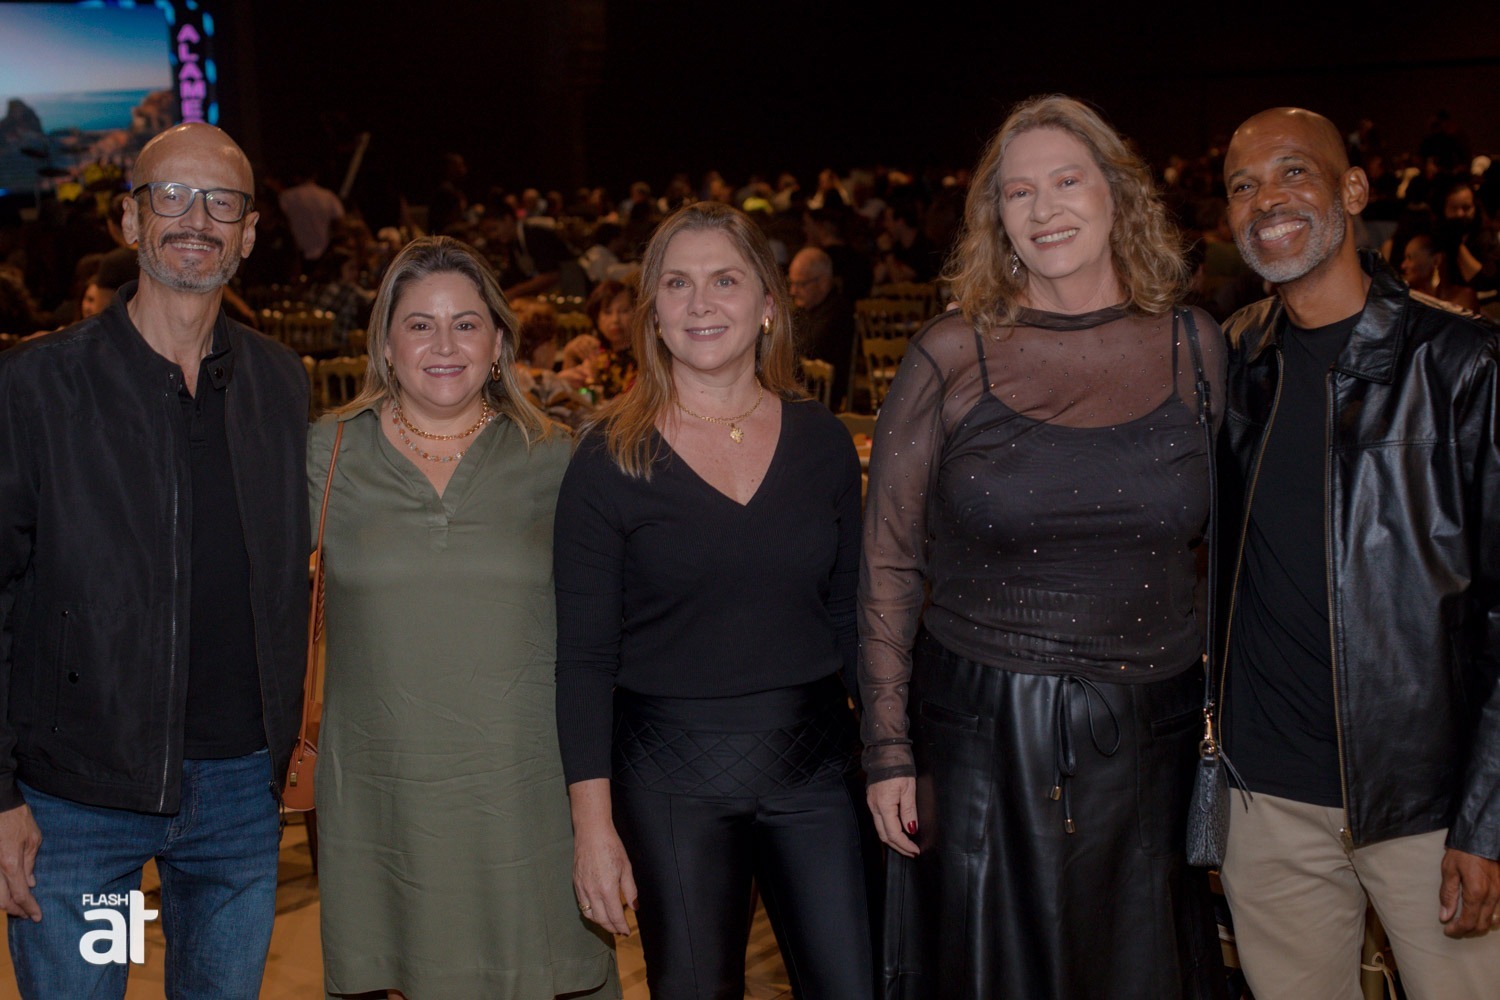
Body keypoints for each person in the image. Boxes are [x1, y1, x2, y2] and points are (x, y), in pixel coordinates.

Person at [859, 95, 1225, 998]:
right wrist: (887, 747)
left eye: (1067, 181)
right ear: (997, 218)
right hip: (983, 734)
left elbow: (1225, 548)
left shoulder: (1197, 346)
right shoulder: (951, 355)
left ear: (1117, 195)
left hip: (1158, 729)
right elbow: (889, 564)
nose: (1045, 208)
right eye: (1019, 192)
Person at [0, 122, 309, 999]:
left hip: (241, 790)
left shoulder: (280, 383)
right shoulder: (36, 386)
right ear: (131, 220)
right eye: (171, 195)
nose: (196, 219)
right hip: (79, 797)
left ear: (249, 234)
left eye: (222, 203)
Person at [1215, 106, 1500, 999]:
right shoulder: (1235, 360)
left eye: (1293, 172)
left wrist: (1488, 819)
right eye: (1243, 186)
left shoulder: (1462, 364)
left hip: (1426, 806)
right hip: (1266, 802)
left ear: (1353, 189)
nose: (1267, 200)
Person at [555, 202, 873, 999]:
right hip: (670, 781)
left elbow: (853, 619)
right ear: (652, 312)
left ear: (767, 302)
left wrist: (893, 758)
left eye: (724, 280)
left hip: (816, 768)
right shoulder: (608, 458)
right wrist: (592, 830)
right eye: (677, 284)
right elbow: (584, 660)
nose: (701, 303)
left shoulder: (822, 441)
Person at [308, 236, 617, 999]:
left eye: (466, 324)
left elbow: (603, 636)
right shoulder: (327, 453)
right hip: (386, 807)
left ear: (500, 342)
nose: (444, 345)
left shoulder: (557, 458)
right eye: (420, 325)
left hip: (527, 803)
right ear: (386, 344)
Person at [788, 246, 856, 409]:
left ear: (823, 282)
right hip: (800, 396)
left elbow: (807, 349)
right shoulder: (804, 310)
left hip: (821, 403)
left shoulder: (838, 312)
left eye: (801, 284)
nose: (793, 291)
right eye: (791, 283)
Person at [584, 277, 637, 398]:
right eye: (607, 312)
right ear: (596, 317)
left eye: (624, 311)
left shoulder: (647, 358)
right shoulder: (594, 354)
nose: (615, 320)